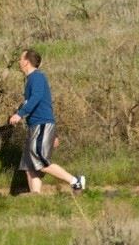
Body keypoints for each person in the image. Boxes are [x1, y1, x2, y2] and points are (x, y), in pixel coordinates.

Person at [8, 49, 85, 194]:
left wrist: (20, 114)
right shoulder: (31, 79)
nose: (18, 62)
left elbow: (36, 98)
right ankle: (36, 198)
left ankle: (76, 181)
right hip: (35, 126)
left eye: (20, 59)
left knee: (40, 161)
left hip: (41, 124)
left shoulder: (37, 77)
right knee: (29, 165)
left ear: (26, 61)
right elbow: (38, 102)